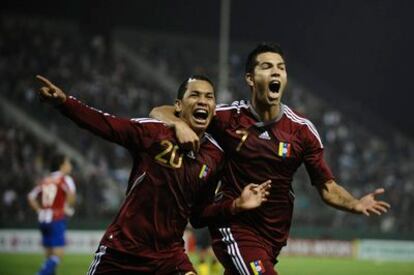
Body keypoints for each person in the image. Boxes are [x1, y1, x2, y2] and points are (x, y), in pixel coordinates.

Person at [150, 43, 391, 274]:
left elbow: (326, 187)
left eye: (281, 67)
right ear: (250, 79)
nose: (276, 70)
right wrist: (177, 124)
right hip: (234, 225)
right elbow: (159, 112)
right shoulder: (226, 117)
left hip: (273, 234)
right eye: (266, 66)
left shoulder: (302, 131)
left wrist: (355, 204)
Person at [34, 74, 271, 275]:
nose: (203, 101)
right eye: (195, 95)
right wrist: (64, 103)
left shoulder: (215, 156)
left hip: (169, 258)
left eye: (209, 97)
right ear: (179, 106)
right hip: (123, 251)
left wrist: (236, 205)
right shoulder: (154, 132)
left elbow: (199, 216)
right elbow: (107, 124)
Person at [27, 154, 76, 275]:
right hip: (56, 218)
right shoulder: (66, 179)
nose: (70, 166)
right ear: (62, 165)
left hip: (43, 219)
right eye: (68, 163)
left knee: (49, 256)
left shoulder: (46, 180)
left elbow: (31, 196)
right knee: (58, 254)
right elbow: (71, 196)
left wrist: (39, 210)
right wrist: (66, 207)